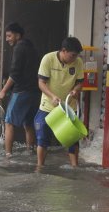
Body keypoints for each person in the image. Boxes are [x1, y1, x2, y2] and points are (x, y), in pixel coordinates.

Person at [34, 37, 84, 167]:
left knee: (73, 139)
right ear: (64, 51)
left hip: (69, 107)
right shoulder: (48, 59)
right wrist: (52, 96)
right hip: (48, 105)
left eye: (77, 55)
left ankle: (75, 168)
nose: (75, 58)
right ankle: (40, 167)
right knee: (42, 138)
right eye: (72, 55)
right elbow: (41, 83)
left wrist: (75, 90)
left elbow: (80, 83)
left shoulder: (78, 62)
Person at [0, 22, 41, 157]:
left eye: (9, 36)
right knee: (28, 124)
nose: (7, 39)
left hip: (21, 91)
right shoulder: (32, 48)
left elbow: (15, 74)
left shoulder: (19, 48)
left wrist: (3, 91)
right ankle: (30, 151)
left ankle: (8, 155)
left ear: (17, 35)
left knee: (9, 123)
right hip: (35, 93)